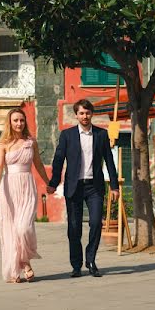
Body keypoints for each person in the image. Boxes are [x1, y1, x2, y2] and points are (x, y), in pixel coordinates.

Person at [48, 99, 119, 278]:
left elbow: (109, 161)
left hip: (94, 187)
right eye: (81, 113)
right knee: (74, 227)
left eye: (87, 113)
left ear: (91, 114)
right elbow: (58, 160)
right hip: (74, 186)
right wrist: (53, 183)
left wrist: (115, 186)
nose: (85, 116)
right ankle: (76, 265)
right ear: (76, 115)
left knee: (96, 223)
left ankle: (91, 260)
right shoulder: (67, 135)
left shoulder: (101, 135)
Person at [0, 107, 51, 283]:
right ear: (9, 123)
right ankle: (22, 266)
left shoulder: (31, 142)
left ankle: (24, 260)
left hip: (27, 187)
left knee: (23, 227)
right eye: (16, 120)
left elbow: (39, 165)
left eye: (22, 120)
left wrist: (49, 183)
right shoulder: (3, 144)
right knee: (10, 229)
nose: (19, 123)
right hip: (9, 188)